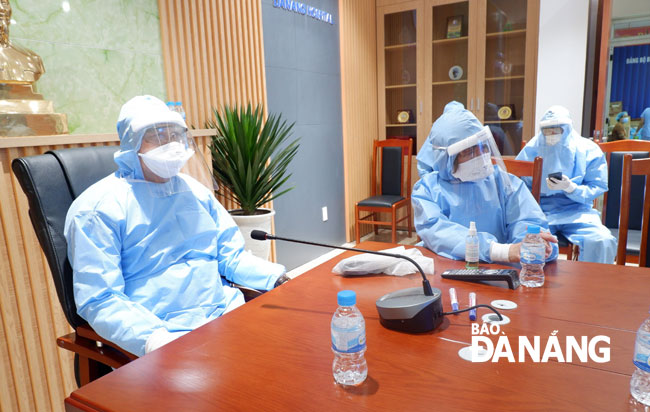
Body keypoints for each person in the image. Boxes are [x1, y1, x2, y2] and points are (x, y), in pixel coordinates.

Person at [64, 95, 288, 357]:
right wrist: (155, 341)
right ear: (131, 145)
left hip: (227, 316)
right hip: (165, 336)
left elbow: (231, 257)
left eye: (175, 135)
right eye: (157, 136)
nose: (169, 145)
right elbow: (101, 299)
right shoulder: (98, 209)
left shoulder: (195, 191)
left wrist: (276, 278)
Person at [412, 101, 558, 264]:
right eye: (468, 151)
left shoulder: (505, 182)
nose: (479, 156)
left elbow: (526, 220)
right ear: (446, 158)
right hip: (446, 266)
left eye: (482, 147)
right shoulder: (427, 189)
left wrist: (532, 242)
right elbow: (437, 232)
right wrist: (501, 251)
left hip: (497, 270)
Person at [516, 105, 617, 264]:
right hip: (540, 212)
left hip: (577, 210)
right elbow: (518, 185)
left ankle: (594, 287)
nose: (551, 134)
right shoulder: (531, 149)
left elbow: (597, 185)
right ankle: (539, 284)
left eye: (557, 130)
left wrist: (572, 188)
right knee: (528, 243)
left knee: (601, 241)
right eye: (547, 130)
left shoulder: (588, 149)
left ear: (568, 128)